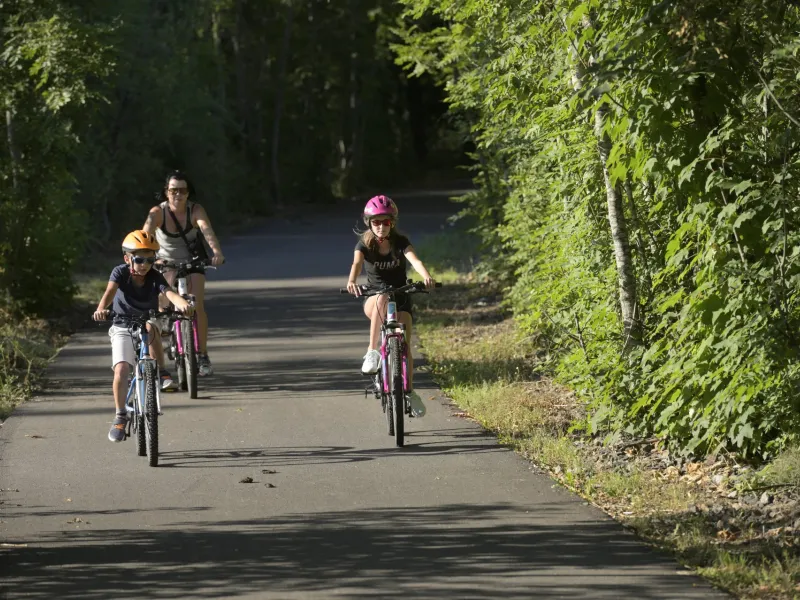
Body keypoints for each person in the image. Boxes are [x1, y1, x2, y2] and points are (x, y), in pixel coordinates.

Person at [93, 230, 193, 443]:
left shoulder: (154, 276)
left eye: (150, 259)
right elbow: (110, 291)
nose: (145, 264)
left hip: (146, 320)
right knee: (121, 368)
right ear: (127, 258)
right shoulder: (120, 272)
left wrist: (181, 303)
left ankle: (162, 372)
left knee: (151, 327)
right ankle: (120, 415)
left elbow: (168, 292)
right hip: (121, 323)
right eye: (139, 259)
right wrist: (102, 308)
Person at [346, 195, 435, 418]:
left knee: (405, 345)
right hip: (375, 299)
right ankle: (372, 351)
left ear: (392, 223)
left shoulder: (401, 242)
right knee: (382, 297)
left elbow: (415, 261)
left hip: (401, 296)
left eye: (386, 222)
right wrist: (351, 281)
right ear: (369, 223)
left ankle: (410, 391)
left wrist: (426, 277)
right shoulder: (364, 245)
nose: (381, 227)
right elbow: (357, 264)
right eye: (376, 222)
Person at [142, 170, 225, 376]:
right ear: (166, 192)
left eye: (182, 190)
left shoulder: (195, 210)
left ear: (188, 193)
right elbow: (145, 236)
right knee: (162, 306)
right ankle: (162, 349)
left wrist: (216, 253)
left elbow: (207, 232)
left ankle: (202, 355)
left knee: (196, 306)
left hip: (192, 261)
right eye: (173, 190)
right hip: (165, 262)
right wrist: (149, 257)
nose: (177, 194)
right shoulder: (157, 212)